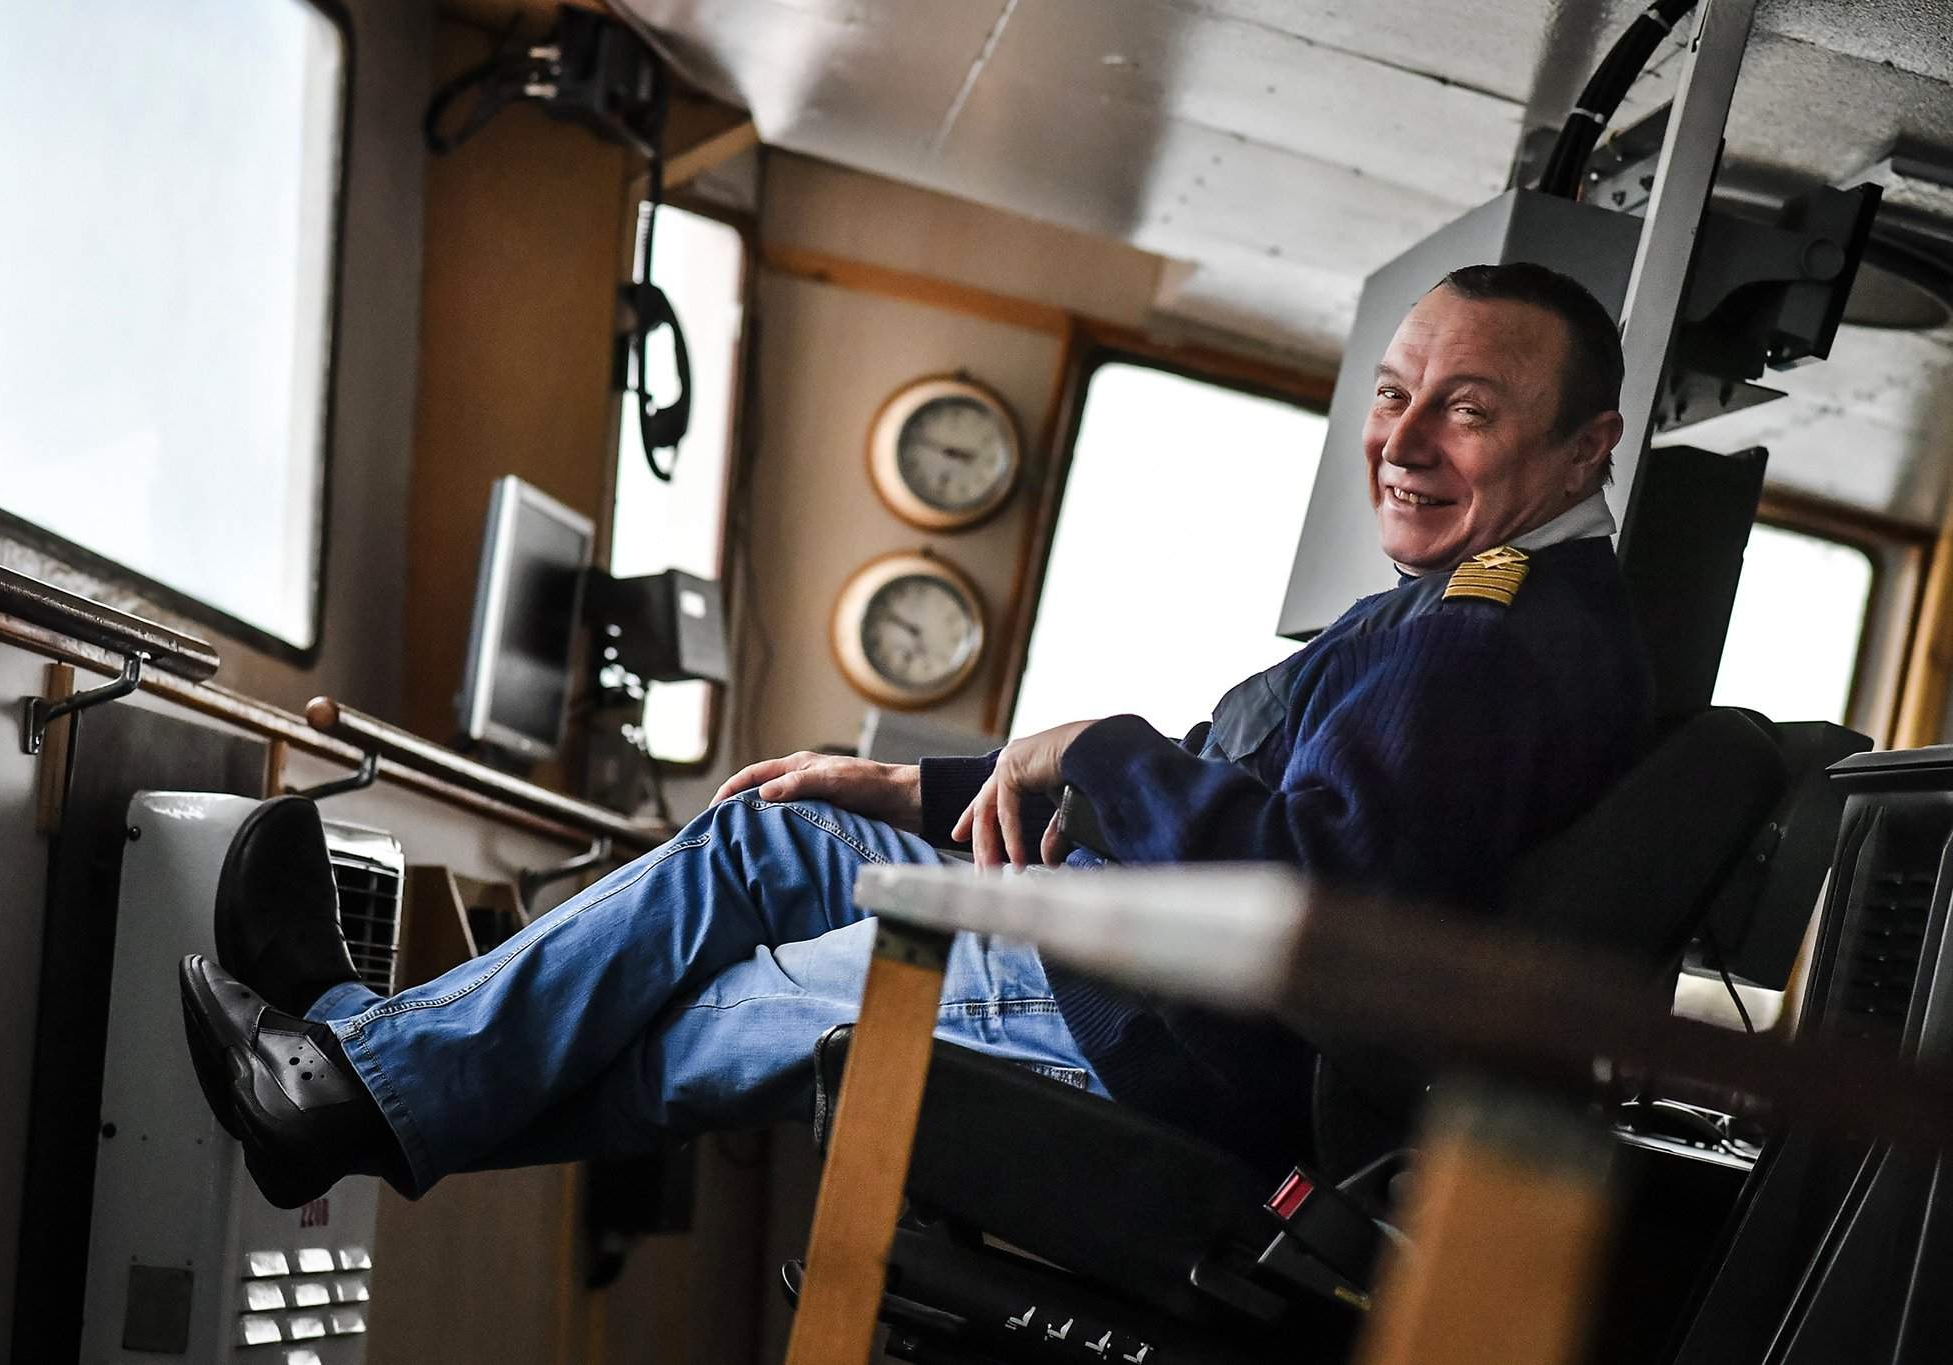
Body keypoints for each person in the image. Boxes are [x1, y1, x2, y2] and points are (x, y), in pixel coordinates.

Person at [180, 261, 1651, 1209]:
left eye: (1466, 410)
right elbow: (1242, 781)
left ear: (1590, 445)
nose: (1403, 441)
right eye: (1393, 395)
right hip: (1134, 944)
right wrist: (913, 781)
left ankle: (352, 1082)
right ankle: (361, 1069)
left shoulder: (1485, 635)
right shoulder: (1497, 601)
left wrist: (1096, 745)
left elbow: (1325, 906)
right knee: (766, 836)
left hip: (1155, 1023)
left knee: (720, 1008)